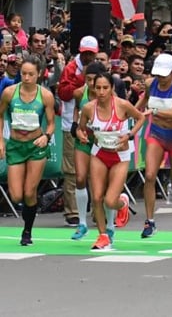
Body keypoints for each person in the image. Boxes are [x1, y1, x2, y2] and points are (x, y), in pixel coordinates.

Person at [76, 72, 145, 250]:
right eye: (97, 87)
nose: (101, 91)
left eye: (105, 88)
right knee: (97, 197)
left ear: (112, 88)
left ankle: (122, 203)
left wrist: (129, 135)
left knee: (109, 200)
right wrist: (82, 135)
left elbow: (141, 118)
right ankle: (103, 235)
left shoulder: (122, 105)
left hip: (120, 156)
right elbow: (80, 128)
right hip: (99, 153)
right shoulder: (89, 108)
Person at [0, 56, 56, 245]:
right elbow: (0, 116)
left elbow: (50, 124)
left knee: (29, 191)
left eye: (31, 74)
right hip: (16, 146)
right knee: (16, 195)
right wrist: (0, 141)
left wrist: (46, 137)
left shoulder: (45, 95)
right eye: (23, 73)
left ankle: (27, 232)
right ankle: (32, 205)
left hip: (35, 147)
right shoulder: (9, 93)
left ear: (38, 74)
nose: (26, 77)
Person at [136, 53, 172, 240]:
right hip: (157, 134)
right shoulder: (151, 84)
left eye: (164, 75)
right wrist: (132, 114)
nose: (161, 78)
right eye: (158, 74)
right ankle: (150, 221)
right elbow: (141, 104)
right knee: (150, 175)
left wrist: (155, 111)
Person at [58, 36, 99, 227]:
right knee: (72, 170)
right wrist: (81, 81)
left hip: (96, 128)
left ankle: (97, 211)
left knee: (95, 169)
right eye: (86, 54)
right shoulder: (70, 69)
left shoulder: (98, 69)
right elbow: (64, 94)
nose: (89, 57)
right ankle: (72, 212)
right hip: (71, 125)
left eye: (92, 54)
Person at [69, 62, 106, 240]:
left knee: (100, 182)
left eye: (94, 79)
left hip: (102, 140)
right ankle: (82, 223)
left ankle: (110, 219)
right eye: (88, 79)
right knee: (80, 177)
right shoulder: (79, 93)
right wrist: (76, 126)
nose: (91, 83)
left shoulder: (107, 94)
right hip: (84, 139)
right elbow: (77, 110)